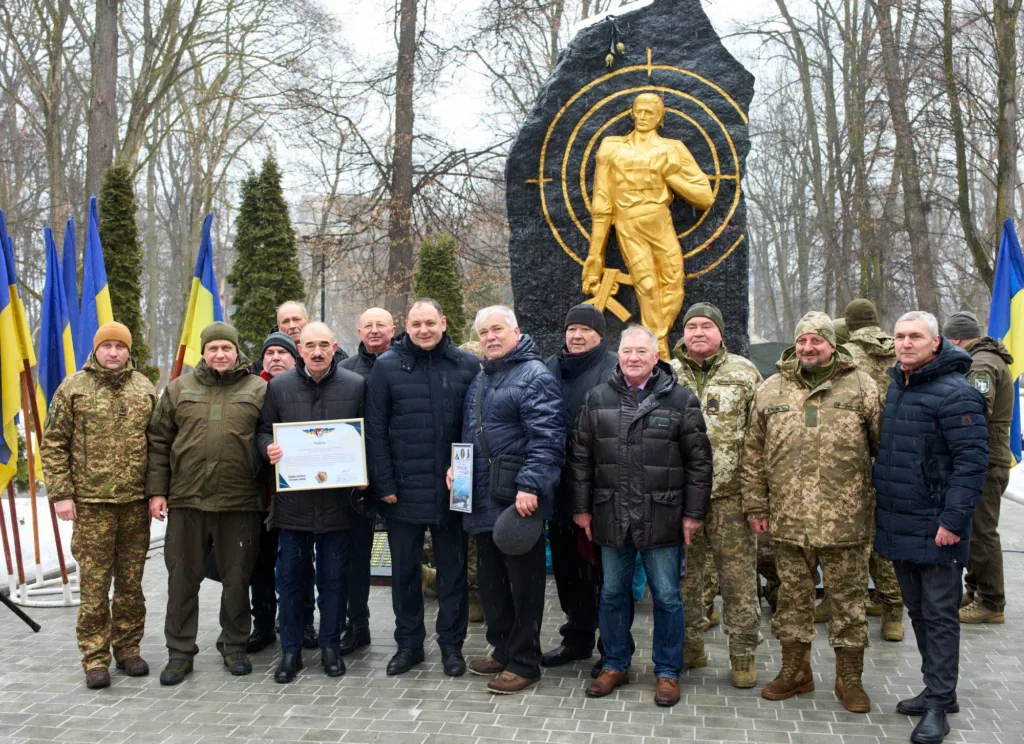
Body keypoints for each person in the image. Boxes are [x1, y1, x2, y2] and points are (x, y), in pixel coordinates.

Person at [743, 312, 880, 713]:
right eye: (802, 341)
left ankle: (849, 679)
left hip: (846, 522)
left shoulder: (862, 386)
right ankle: (795, 672)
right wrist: (755, 503)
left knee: (848, 603)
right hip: (787, 521)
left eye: (816, 341)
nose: (807, 348)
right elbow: (753, 452)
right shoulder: (770, 389)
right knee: (792, 601)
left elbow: (882, 448)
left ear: (832, 345)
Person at [570, 324, 711, 706]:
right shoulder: (597, 397)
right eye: (627, 351)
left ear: (655, 356)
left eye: (641, 352)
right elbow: (581, 458)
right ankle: (614, 662)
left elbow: (699, 462)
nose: (633, 358)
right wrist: (582, 508)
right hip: (611, 514)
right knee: (613, 593)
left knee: (667, 596)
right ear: (618, 355)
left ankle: (667, 671)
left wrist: (693, 514)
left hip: (661, 514)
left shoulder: (680, 400)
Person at [873, 311, 988, 744]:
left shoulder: (957, 394)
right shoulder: (899, 386)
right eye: (900, 336)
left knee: (940, 616)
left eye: (915, 337)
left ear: (936, 343)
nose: (905, 343)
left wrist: (953, 521)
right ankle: (937, 689)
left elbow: (972, 464)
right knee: (919, 612)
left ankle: (940, 705)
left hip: (938, 527)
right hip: (901, 523)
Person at [147, 322, 267, 685]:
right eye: (213, 348)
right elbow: (158, 442)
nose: (219, 354)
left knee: (237, 580)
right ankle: (180, 653)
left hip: (240, 502)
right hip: (187, 501)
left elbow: (271, 437)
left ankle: (234, 646)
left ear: (236, 351)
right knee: (181, 580)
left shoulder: (258, 389)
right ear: (204, 351)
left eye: (226, 348)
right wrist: (157, 491)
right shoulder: (179, 388)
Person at [365, 299, 480, 677]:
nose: (424, 330)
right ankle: (408, 645)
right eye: (417, 324)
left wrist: (464, 476)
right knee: (405, 575)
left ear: (444, 322)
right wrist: (384, 484)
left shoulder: (466, 365)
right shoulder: (386, 367)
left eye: (431, 322)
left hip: (452, 492)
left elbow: (475, 426)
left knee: (453, 573)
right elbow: (376, 430)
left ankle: (451, 646)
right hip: (402, 492)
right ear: (406, 326)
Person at [41, 322, 157, 689]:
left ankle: (127, 649)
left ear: (128, 350)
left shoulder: (144, 388)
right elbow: (54, 443)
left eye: (119, 347)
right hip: (91, 505)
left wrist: (157, 492)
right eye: (106, 346)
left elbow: (157, 445)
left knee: (130, 583)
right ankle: (94, 657)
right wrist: (61, 493)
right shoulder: (73, 387)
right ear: (96, 350)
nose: (113, 353)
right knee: (93, 585)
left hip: (134, 504)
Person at [455, 305, 564, 694]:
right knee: (492, 583)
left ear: (516, 331)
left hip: (518, 501)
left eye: (497, 329)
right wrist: (458, 469)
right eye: (483, 332)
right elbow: (472, 434)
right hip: (482, 497)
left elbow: (548, 438)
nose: (490, 337)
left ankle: (525, 662)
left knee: (523, 587)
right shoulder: (482, 377)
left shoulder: (535, 376)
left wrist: (531, 486)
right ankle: (502, 650)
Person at [257, 322, 366, 682]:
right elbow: (261, 431)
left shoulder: (355, 386)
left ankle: (330, 647)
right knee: (290, 581)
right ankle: (290, 653)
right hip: (294, 505)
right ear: (299, 349)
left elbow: (369, 434)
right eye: (309, 346)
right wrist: (266, 448)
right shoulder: (279, 387)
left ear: (335, 347)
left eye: (323, 345)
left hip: (338, 503)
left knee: (333, 581)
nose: (317, 352)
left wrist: (364, 474)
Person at [582, 92, 714, 359]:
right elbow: (603, 201)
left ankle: (653, 339)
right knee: (647, 286)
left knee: (674, 285)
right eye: (639, 111)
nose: (642, 117)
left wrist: (671, 175)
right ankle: (658, 350)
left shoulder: (672, 149)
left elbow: (704, 196)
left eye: (649, 113)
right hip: (628, 221)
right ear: (632, 112)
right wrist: (596, 254)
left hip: (660, 220)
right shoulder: (611, 147)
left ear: (660, 118)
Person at [670, 303, 762, 688]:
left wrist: (757, 495)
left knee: (738, 580)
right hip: (678, 499)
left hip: (731, 499)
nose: (699, 332)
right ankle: (690, 645)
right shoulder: (666, 374)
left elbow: (760, 438)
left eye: (707, 326)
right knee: (685, 578)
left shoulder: (744, 372)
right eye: (692, 326)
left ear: (721, 333)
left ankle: (742, 653)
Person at [541, 304, 619, 671]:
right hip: (559, 490)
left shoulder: (614, 368)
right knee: (568, 572)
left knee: (605, 575)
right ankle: (577, 638)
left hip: (601, 492)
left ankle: (613, 648)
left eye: (585, 330)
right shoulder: (550, 367)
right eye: (571, 329)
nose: (576, 335)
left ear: (600, 335)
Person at [942, 310, 1012, 626]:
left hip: (985, 460)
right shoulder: (983, 359)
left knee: (982, 531)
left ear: (956, 338)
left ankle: (992, 602)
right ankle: (976, 591)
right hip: (985, 458)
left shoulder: (981, 365)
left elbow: (974, 411)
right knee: (974, 529)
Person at [843, 298, 904, 642]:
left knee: (856, 541)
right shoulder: (901, 350)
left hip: (856, 461)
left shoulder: (847, 355)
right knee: (887, 539)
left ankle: (853, 608)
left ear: (849, 325)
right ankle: (893, 613)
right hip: (895, 457)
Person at [336, 308, 396, 655]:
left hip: (396, 478)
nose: (374, 331)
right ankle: (356, 625)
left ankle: (410, 633)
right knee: (355, 559)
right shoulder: (344, 371)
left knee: (404, 558)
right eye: (368, 326)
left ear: (392, 328)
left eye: (380, 325)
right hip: (355, 481)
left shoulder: (406, 363)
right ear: (359, 330)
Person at [246, 331, 299, 654]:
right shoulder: (250, 390)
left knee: (296, 566)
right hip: (258, 494)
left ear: (295, 358)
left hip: (299, 494)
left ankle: (301, 623)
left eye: (282, 352)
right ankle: (263, 625)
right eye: (270, 353)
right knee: (260, 567)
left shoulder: (303, 386)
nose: (275, 357)